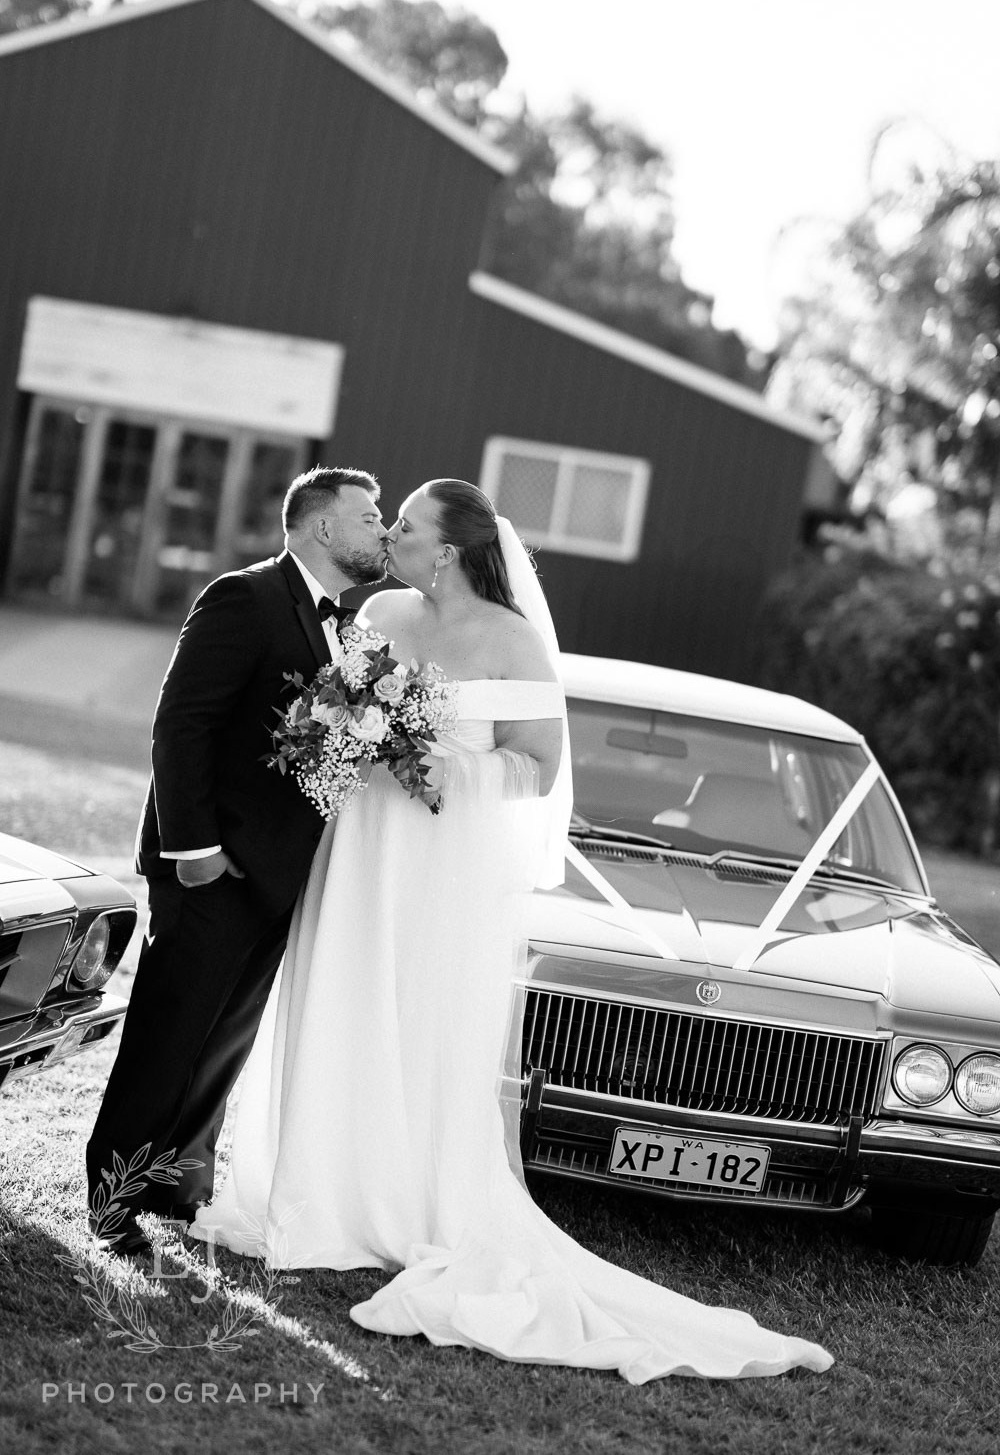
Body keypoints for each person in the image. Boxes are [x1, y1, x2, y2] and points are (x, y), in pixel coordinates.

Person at [192, 479, 833, 1382]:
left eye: (406, 526)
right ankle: (316, 1189)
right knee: (342, 994)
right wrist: (344, 736)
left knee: (421, 1015)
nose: (391, 535)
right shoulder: (379, 613)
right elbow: (329, 718)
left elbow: (536, 766)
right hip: (359, 848)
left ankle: (399, 1198)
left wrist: (438, 766)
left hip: (441, 863)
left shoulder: (513, 639)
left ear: (447, 551)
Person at [86, 467, 389, 1256]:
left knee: (222, 1043)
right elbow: (180, 726)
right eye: (368, 516)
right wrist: (194, 852)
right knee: (167, 1038)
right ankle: (113, 1203)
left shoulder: (347, 630)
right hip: (211, 870)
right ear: (323, 527)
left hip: (278, 879)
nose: (382, 529)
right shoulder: (244, 598)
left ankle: (174, 1185)